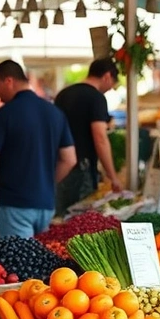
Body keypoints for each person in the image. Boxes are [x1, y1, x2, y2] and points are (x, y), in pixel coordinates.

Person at [0, 60, 76, 238]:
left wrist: (3, 177)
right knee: (40, 262)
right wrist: (46, 181)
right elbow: (70, 159)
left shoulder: (3, 115)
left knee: (17, 263)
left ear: (9, 81)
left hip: (15, 204)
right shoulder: (55, 113)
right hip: (46, 205)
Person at [54, 58, 124, 216]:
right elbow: (100, 138)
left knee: (59, 220)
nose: (110, 88)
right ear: (107, 76)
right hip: (81, 169)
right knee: (79, 222)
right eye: (112, 83)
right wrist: (112, 176)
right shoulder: (96, 98)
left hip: (59, 166)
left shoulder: (63, 94)